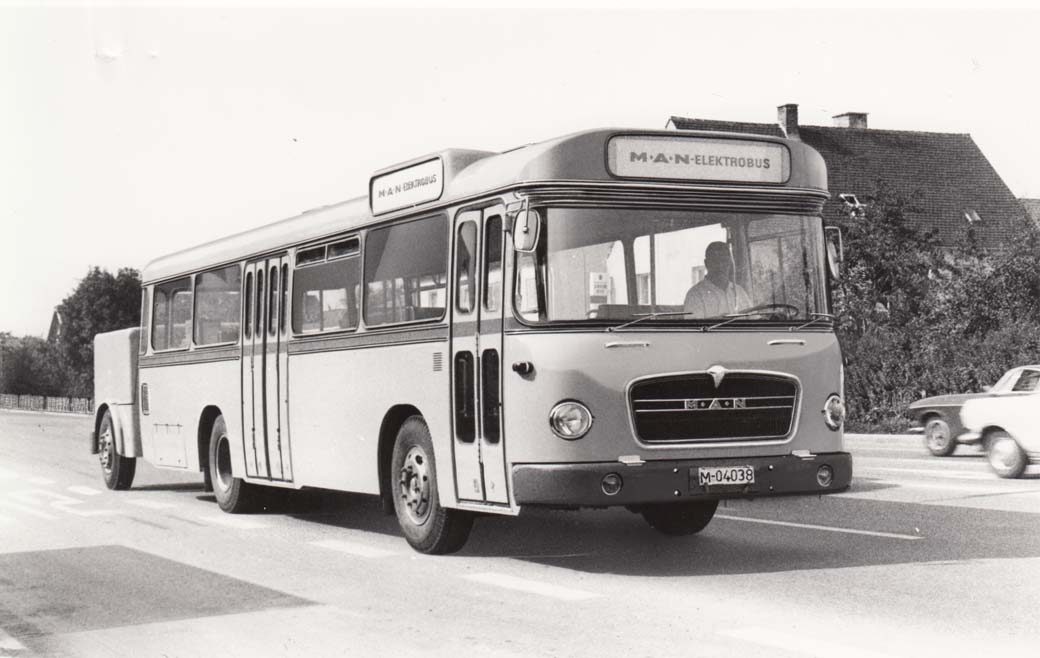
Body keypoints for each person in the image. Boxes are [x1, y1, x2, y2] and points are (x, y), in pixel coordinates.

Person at [683, 241, 752, 318]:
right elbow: (695, 328)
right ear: (706, 263)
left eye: (724, 261)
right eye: (715, 261)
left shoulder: (739, 291)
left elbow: (755, 321)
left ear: (730, 263)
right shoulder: (695, 295)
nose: (720, 266)